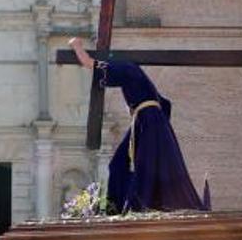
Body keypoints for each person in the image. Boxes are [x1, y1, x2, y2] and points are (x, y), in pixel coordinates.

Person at [68, 37, 206, 212]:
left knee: (134, 165)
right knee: (128, 163)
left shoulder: (126, 68)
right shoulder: (140, 80)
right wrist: (158, 128)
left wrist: (76, 46)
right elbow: (167, 104)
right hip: (152, 124)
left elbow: (89, 63)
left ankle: (131, 206)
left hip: (147, 123)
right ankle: (131, 204)